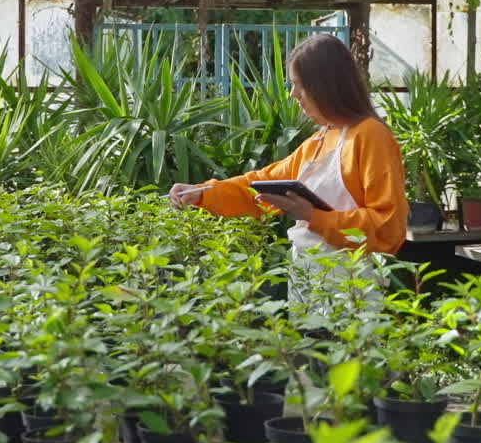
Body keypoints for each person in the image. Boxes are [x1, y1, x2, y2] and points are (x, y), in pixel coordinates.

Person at [169, 34, 408, 304]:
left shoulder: (370, 136)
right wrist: (202, 193)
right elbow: (259, 185)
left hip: (352, 285)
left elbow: (389, 226)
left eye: (299, 85)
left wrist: (314, 216)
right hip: (308, 279)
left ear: (325, 85)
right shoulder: (318, 141)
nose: (293, 94)